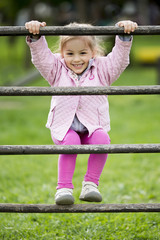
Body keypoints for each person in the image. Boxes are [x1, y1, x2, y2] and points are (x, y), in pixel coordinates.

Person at [25, 20, 138, 205]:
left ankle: (91, 184)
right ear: (62, 54)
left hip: (91, 126)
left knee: (103, 140)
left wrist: (124, 36)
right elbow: (41, 58)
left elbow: (119, 61)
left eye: (83, 53)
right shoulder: (56, 69)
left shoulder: (103, 69)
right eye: (70, 54)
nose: (76, 59)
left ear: (93, 52)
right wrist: (36, 36)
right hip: (65, 127)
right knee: (71, 142)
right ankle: (64, 188)